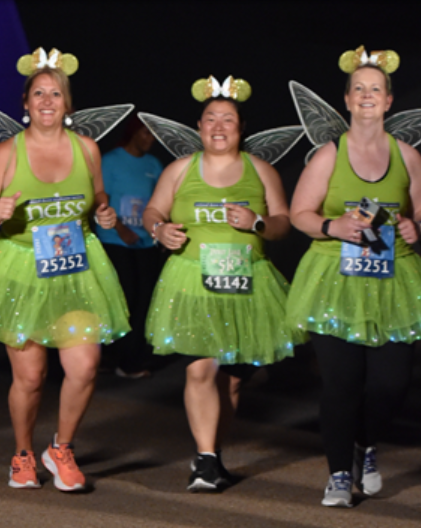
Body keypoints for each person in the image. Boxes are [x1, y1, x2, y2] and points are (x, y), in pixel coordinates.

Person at [0, 48, 129, 492]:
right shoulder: (5, 154)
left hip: (75, 267)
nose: (48, 101)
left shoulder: (87, 149)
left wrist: (105, 212)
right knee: (31, 377)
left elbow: (98, 197)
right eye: (39, 93)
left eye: (56, 93)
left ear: (68, 103)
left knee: (85, 367)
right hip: (21, 270)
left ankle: (61, 448)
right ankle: (22, 453)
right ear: (25, 102)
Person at [142, 75, 303, 492]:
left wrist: (258, 222)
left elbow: (283, 223)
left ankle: (212, 454)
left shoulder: (260, 170)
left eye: (227, 118)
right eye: (210, 118)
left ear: (241, 127)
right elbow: (152, 211)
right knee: (201, 368)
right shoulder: (180, 169)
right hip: (193, 280)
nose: (218, 126)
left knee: (230, 380)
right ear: (199, 126)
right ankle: (205, 459)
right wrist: (159, 229)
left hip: (246, 282)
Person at [285, 47, 421, 508]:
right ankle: (339, 473)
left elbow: (418, 214)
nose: (366, 95)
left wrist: (414, 227)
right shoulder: (329, 155)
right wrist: (333, 226)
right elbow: (299, 214)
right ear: (346, 99)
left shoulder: (408, 156)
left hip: (393, 280)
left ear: (388, 100)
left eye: (375, 89)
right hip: (334, 280)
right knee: (342, 382)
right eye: (358, 88)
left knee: (391, 385)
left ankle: (365, 443)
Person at [95, 116, 165, 379]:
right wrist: (121, 228)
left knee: (144, 299)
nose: (150, 139)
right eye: (145, 133)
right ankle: (110, 355)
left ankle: (130, 359)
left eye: (153, 135)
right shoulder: (111, 161)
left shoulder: (153, 164)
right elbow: (101, 199)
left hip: (145, 241)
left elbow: (161, 201)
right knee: (123, 297)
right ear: (133, 133)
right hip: (115, 239)